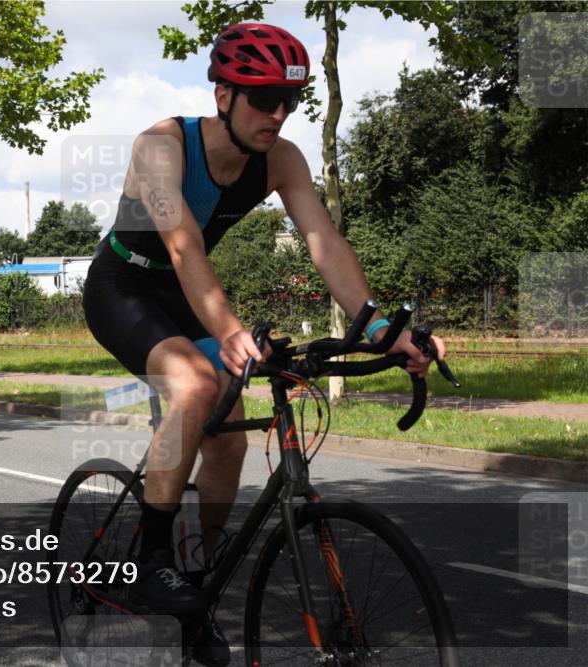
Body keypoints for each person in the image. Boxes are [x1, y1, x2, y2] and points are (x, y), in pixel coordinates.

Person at [81, 22, 447, 666]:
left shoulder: (281, 158)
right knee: (196, 383)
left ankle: (195, 588)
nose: (278, 114)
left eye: (290, 101)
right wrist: (227, 332)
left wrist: (381, 329)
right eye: (264, 97)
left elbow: (324, 243)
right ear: (222, 93)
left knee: (228, 438)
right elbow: (182, 246)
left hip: (182, 296)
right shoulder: (159, 149)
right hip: (124, 289)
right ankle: (152, 556)